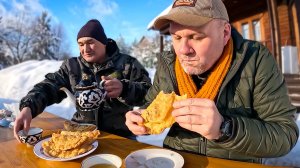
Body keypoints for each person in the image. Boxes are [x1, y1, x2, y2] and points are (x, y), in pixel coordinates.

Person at [125, 0, 299, 163]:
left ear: (224, 33)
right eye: (176, 38)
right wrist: (141, 118)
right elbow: (152, 103)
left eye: (195, 37)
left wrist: (225, 129)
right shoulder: (168, 63)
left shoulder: (255, 59)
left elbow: (285, 134)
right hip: (176, 160)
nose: (183, 50)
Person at [14, 19, 152, 139]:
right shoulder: (71, 67)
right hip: (80, 133)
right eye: (80, 44)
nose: (85, 49)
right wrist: (28, 107)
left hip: (120, 136)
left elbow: (149, 93)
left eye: (90, 42)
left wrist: (124, 89)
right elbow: (49, 86)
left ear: (103, 42)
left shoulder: (128, 63)